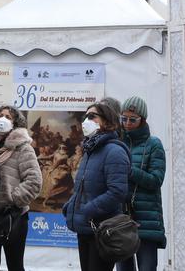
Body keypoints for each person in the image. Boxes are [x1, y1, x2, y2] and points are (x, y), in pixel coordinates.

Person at [63, 103, 130, 271]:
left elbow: (117, 192)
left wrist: (89, 209)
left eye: (92, 116)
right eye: (85, 117)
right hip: (86, 228)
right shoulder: (90, 150)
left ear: (108, 122)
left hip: (102, 230)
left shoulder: (114, 151)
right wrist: (71, 205)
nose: (86, 120)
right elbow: (83, 187)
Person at [0, 105, 42, 271]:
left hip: (14, 217)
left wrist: (13, 199)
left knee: (15, 265)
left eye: (8, 117)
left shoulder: (24, 148)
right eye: (0, 116)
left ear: (15, 123)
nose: (3, 119)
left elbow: (34, 182)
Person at [116, 97, 166, 271]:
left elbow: (156, 180)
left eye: (132, 119)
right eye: (124, 119)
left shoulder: (154, 144)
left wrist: (131, 171)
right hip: (121, 220)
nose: (127, 123)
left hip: (146, 221)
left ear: (142, 120)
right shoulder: (117, 142)